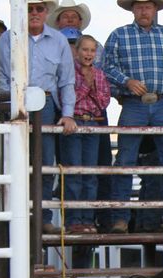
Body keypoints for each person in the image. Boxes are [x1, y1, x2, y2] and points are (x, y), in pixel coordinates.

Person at [103, 0, 163, 234]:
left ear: (155, 9)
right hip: (133, 104)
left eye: (148, 6)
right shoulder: (118, 35)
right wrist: (126, 81)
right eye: (139, 6)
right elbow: (106, 67)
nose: (144, 10)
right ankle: (120, 218)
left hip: (161, 101)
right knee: (125, 160)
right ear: (133, 9)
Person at [0, 0, 77, 234]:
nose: (34, 13)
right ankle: (14, 213)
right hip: (15, 103)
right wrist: (9, 105)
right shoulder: (7, 39)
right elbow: (2, 76)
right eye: (29, 8)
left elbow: (67, 80)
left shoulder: (59, 40)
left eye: (39, 8)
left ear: (46, 12)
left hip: (45, 105)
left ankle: (42, 217)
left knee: (44, 163)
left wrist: (67, 114)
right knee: (12, 161)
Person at [60, 34, 110, 234]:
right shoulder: (68, 72)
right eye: (85, 49)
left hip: (93, 123)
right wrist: (85, 86)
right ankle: (73, 220)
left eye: (92, 50)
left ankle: (88, 219)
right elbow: (67, 96)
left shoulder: (99, 74)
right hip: (73, 122)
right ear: (77, 51)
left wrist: (92, 86)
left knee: (89, 174)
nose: (88, 54)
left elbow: (104, 101)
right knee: (73, 173)